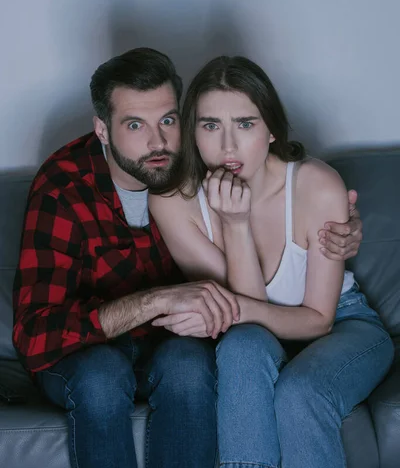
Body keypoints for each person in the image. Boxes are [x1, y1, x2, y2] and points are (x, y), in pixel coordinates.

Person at [13, 48, 363, 468]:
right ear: (102, 130)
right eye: (134, 125)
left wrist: (341, 226)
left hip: (171, 344)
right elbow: (35, 334)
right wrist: (156, 301)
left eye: (167, 120)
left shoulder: (194, 165)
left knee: (189, 368)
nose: (157, 141)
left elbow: (284, 192)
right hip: (88, 352)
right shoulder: (63, 188)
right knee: (102, 378)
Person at [149, 55, 394, 468]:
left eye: (245, 124)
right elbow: (247, 325)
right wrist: (236, 225)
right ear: (192, 132)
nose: (228, 146)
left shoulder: (316, 184)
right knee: (242, 346)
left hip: (344, 325)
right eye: (211, 126)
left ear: (272, 131)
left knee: (301, 391)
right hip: (253, 341)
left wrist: (234, 299)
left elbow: (318, 319)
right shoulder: (174, 201)